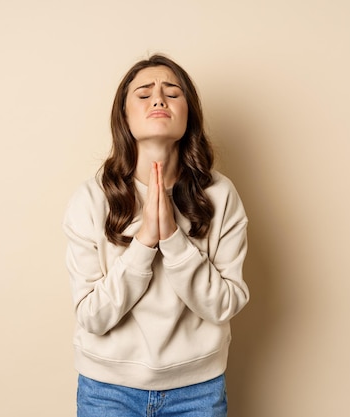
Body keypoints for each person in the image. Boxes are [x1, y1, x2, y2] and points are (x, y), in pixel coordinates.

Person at [63, 54, 249, 417]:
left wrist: (174, 240)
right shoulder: (90, 199)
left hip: (198, 390)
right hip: (107, 391)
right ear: (124, 115)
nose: (159, 100)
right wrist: (144, 243)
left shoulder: (220, 195)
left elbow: (225, 304)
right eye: (144, 93)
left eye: (172, 93)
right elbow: (92, 316)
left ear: (189, 113)